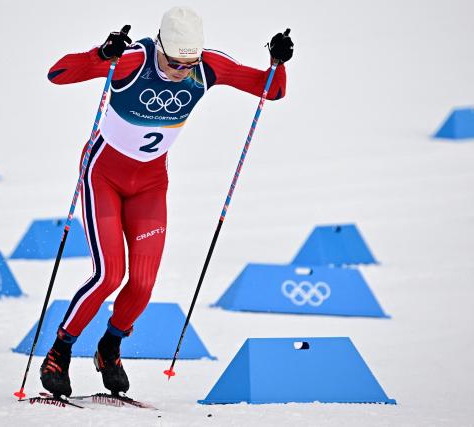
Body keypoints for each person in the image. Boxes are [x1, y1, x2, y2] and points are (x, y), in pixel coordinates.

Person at [40, 6, 293, 397]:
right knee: (109, 275)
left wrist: (278, 61)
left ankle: (110, 347)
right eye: (174, 63)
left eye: (188, 64)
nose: (181, 71)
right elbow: (56, 74)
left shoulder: (208, 67)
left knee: (142, 284)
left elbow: (271, 90)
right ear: (160, 47)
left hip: (151, 185)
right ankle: (60, 349)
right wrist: (101, 56)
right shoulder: (133, 61)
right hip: (102, 176)